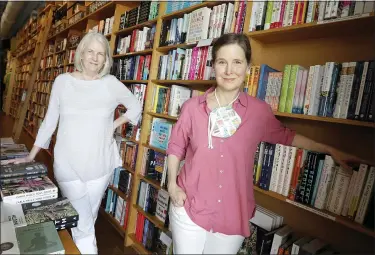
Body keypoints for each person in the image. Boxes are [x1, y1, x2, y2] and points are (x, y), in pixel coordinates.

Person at [166, 33, 371, 254]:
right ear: (213, 66)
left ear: (247, 67)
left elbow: (287, 136)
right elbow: (176, 146)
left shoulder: (258, 111)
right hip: (189, 207)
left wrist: (329, 149)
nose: (229, 70)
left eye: (237, 62)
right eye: (222, 62)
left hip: (232, 215)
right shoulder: (192, 107)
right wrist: (172, 185)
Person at [3, 32, 142, 254]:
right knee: (85, 225)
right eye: (90, 52)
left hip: (100, 167)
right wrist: (31, 155)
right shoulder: (63, 82)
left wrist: (114, 124)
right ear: (81, 54)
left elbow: (136, 107)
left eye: (100, 54)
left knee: (86, 220)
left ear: (106, 59)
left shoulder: (111, 84)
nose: (95, 58)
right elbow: (50, 121)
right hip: (68, 166)